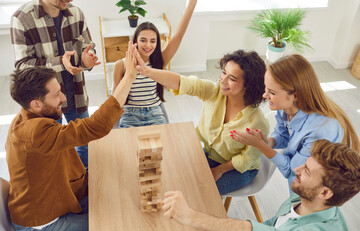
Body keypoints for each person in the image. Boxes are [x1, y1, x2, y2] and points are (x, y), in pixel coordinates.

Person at [5, 42, 137, 231]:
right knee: (116, 228)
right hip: (42, 225)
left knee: (119, 195)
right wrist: (129, 78)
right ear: (36, 103)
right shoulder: (36, 132)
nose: (64, 98)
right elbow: (92, 127)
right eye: (56, 94)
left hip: (57, 200)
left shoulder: (27, 115)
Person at [162, 139, 360, 231]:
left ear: (325, 193)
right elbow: (269, 229)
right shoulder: (300, 200)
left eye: (306, 171)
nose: (296, 170)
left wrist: (190, 216)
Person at [135, 48, 269, 195]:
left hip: (239, 169)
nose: (222, 80)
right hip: (211, 155)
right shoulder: (215, 92)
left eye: (232, 78)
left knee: (203, 192)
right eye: (224, 72)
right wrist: (148, 72)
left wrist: (219, 170)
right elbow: (184, 82)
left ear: (248, 85)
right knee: (178, 174)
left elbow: (246, 159)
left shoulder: (257, 122)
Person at [231, 54, 360, 191]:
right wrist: (269, 142)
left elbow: (292, 170)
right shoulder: (285, 107)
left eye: (272, 92)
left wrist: (262, 146)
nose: (264, 95)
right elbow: (282, 134)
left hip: (313, 190)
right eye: (266, 88)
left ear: (295, 95)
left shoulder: (319, 131)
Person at [10, 0, 101, 169]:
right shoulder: (22, 19)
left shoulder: (77, 13)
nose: (70, 0)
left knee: (86, 142)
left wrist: (87, 59)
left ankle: (86, 180)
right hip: (47, 102)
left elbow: (88, 46)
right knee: (54, 151)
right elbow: (22, 66)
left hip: (76, 93)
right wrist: (60, 62)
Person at [113, 0, 197, 128]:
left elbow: (179, 35)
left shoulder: (159, 61)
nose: (148, 45)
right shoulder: (121, 65)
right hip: (130, 113)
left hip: (155, 112)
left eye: (153, 41)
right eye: (143, 40)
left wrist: (192, 4)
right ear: (135, 40)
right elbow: (114, 101)